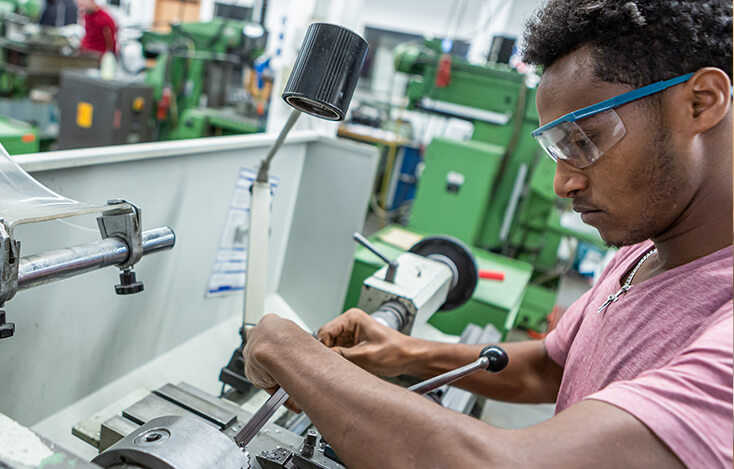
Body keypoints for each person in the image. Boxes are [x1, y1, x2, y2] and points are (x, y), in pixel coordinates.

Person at [243, 1, 733, 467]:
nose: (564, 182)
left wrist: (291, 353)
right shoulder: (647, 248)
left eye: (584, 140)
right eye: (558, 148)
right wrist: (403, 352)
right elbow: (554, 367)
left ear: (701, 102)